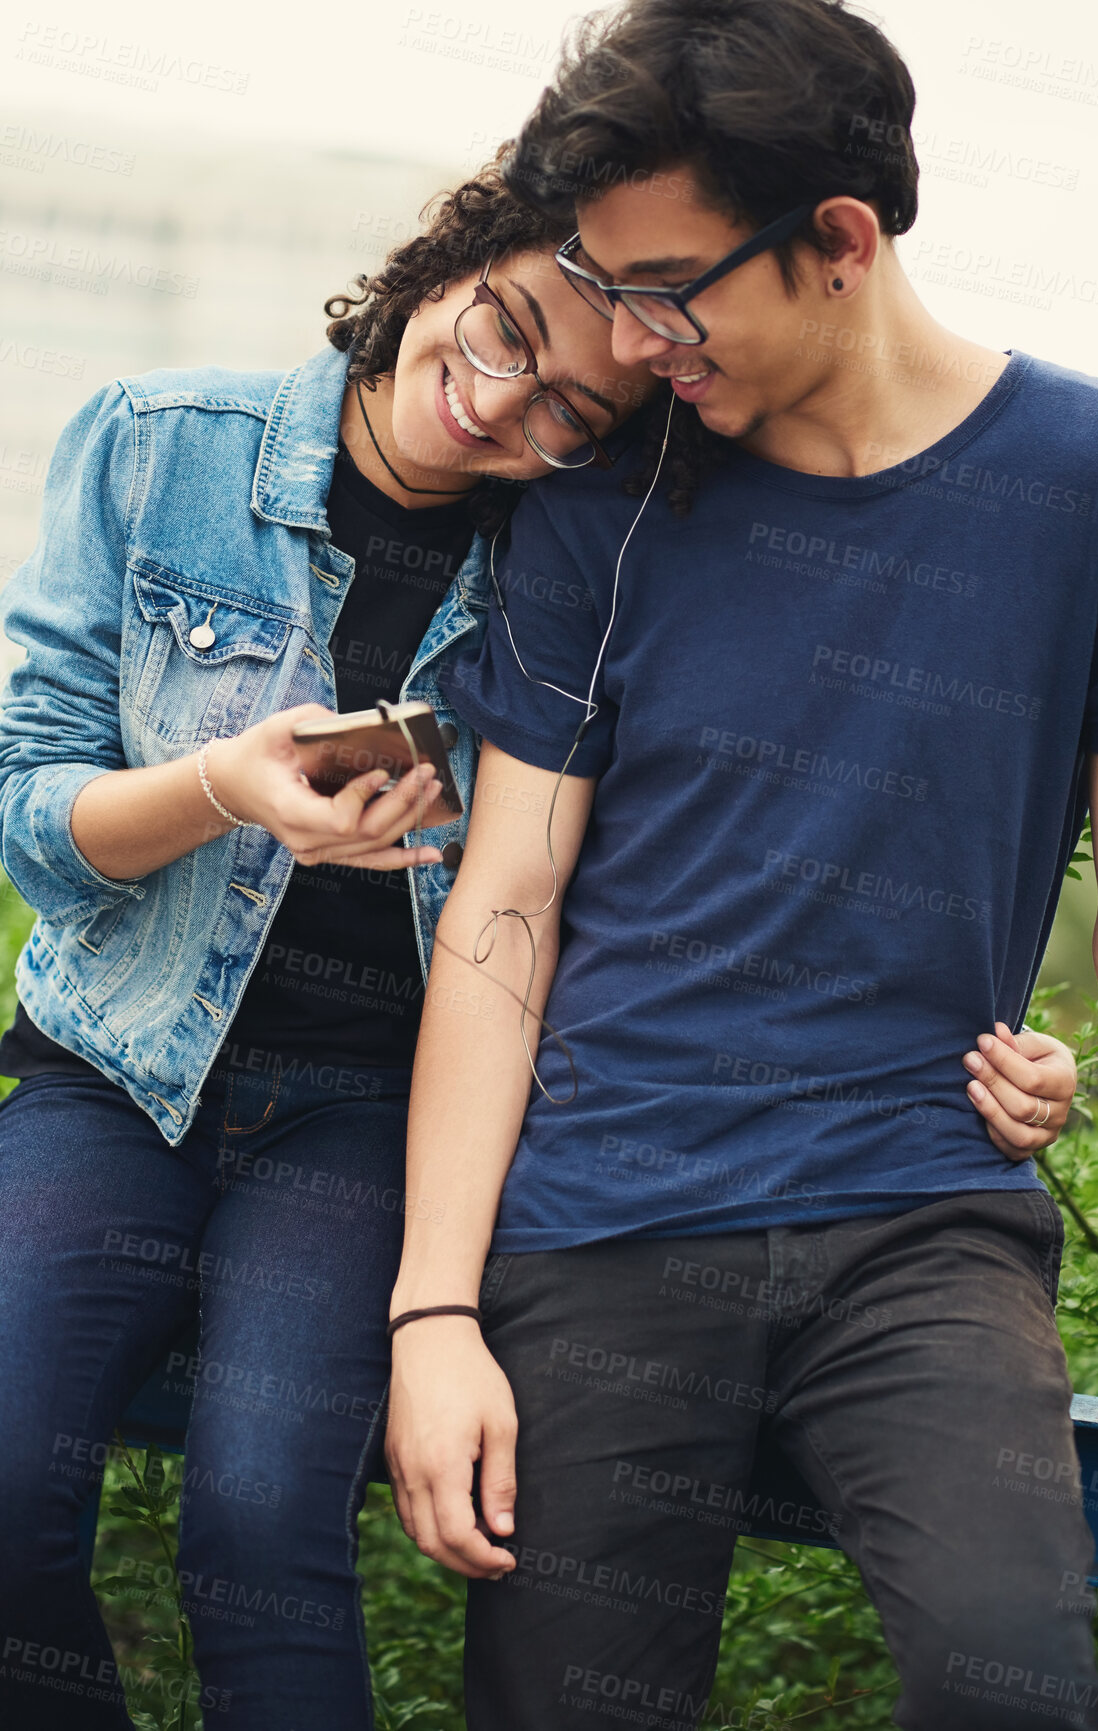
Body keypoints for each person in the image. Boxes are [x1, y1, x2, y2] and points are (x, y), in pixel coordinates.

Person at [383, 4, 1098, 1728]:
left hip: (921, 1230)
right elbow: (506, 908)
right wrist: (434, 1310)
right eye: (608, 284)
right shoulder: (609, 498)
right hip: (598, 1225)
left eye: (670, 288)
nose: (636, 341)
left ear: (839, 243)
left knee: (1017, 1689)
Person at [0, 159, 657, 1730]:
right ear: (447, 258)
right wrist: (221, 789)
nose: (505, 410)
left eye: (572, 408)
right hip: (116, 1076)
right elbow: (30, 813)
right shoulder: (158, 444)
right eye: (503, 330)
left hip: (369, 1113)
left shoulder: (567, 575)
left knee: (259, 1518)